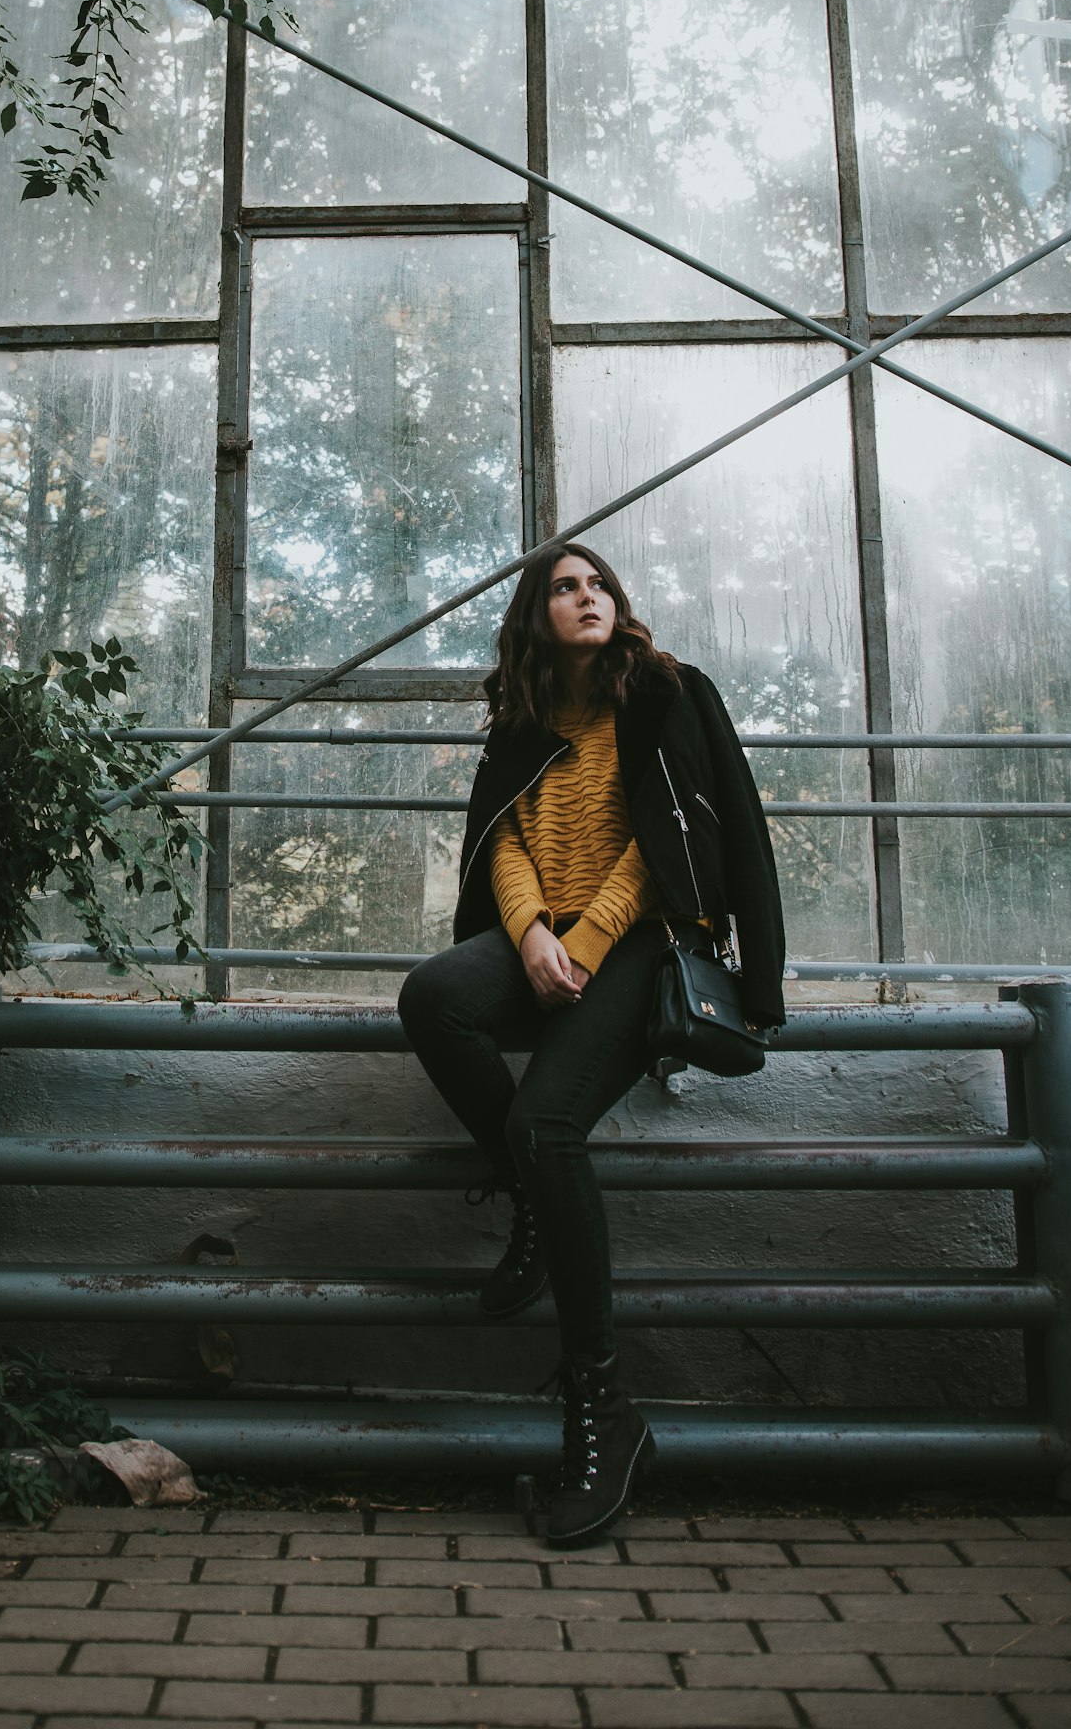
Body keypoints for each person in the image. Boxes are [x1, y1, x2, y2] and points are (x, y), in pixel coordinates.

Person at [397, 541, 787, 1547]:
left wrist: (587, 939)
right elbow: (511, 840)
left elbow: (688, 835)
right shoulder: (521, 720)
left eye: (598, 584)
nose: (586, 597)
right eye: (564, 588)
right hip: (547, 936)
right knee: (434, 995)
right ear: (537, 615)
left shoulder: (667, 693)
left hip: (641, 939)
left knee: (548, 1123)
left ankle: (600, 1407)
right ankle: (528, 1195)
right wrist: (526, 933)